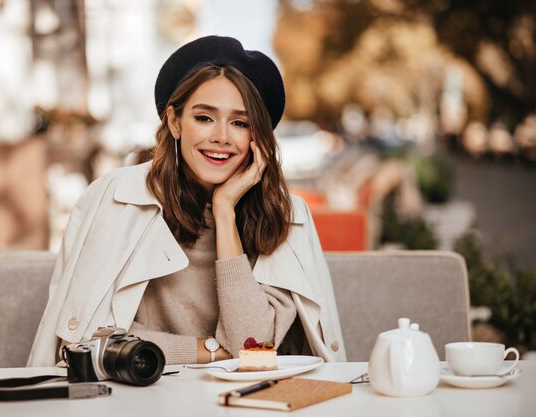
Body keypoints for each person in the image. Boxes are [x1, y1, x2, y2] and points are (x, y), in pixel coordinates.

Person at [28, 36, 346, 367]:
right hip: (138, 396)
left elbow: (250, 348)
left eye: (240, 123)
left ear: (257, 137)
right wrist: (210, 350)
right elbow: (87, 340)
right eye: (204, 118)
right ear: (175, 122)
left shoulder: (284, 215)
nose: (221, 136)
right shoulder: (116, 199)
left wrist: (225, 213)